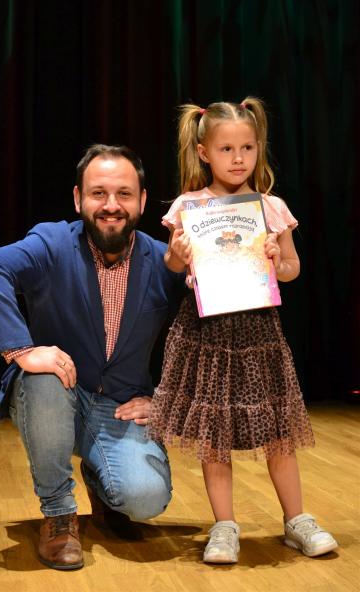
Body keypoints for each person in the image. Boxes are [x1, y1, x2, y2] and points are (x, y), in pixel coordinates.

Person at [0, 144, 185, 570]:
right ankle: (59, 515)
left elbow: (204, 334)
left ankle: (102, 484)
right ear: (78, 198)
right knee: (44, 378)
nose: (111, 205)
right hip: (55, 395)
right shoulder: (51, 242)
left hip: (119, 405)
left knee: (146, 499)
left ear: (142, 201)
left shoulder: (165, 262)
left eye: (124, 194)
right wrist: (23, 350)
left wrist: (167, 399)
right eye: (98, 193)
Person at [147, 98, 338, 563]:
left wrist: (276, 259)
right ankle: (225, 525)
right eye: (227, 149)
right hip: (206, 334)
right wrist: (177, 253)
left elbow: (292, 269)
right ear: (204, 152)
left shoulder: (270, 207)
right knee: (215, 435)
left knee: (278, 432)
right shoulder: (190, 207)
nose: (238, 158)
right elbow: (173, 264)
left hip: (258, 333)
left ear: (258, 148)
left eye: (247, 148)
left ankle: (296, 520)